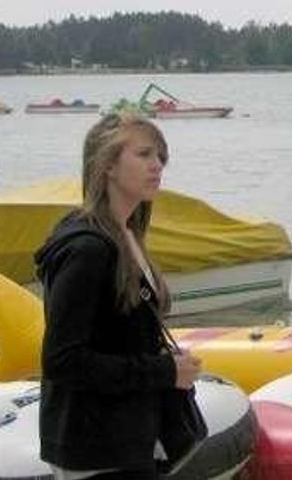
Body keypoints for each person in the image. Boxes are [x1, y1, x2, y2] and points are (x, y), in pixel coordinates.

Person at [36, 112, 202, 478]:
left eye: (160, 157)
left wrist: (165, 363)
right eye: (144, 154)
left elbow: (116, 337)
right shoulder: (87, 249)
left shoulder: (126, 234)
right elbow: (62, 360)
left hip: (128, 436)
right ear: (108, 165)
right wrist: (163, 371)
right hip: (95, 446)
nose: (157, 165)